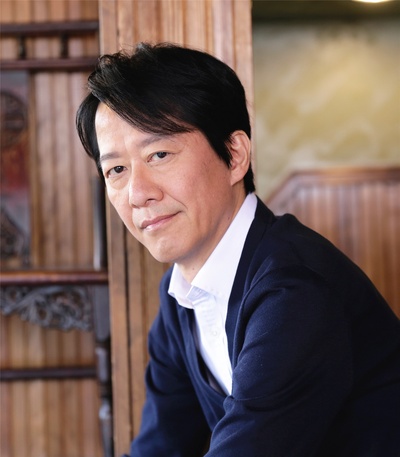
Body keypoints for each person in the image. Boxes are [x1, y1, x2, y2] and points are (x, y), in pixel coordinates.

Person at [76, 42, 400, 457]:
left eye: (159, 154)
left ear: (234, 156)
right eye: (117, 169)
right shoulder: (180, 296)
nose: (138, 194)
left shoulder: (294, 291)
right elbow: (159, 448)